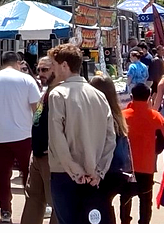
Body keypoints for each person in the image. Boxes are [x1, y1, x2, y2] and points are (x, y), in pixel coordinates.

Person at [46, 44, 116, 224]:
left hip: (65, 173)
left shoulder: (58, 94)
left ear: (64, 65)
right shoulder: (99, 95)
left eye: (54, 64)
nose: (52, 68)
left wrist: (73, 168)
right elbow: (111, 138)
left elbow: (56, 137)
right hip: (94, 173)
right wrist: (99, 170)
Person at [0, 52, 42, 223]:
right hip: (24, 135)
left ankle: (5, 211)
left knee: (2, 175)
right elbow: (37, 108)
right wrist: (39, 129)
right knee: (29, 173)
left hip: (0, 135)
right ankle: (34, 207)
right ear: (18, 63)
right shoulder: (27, 80)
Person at [121, 83, 164, 224]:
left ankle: (124, 222)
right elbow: (162, 141)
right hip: (146, 166)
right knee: (146, 201)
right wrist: (152, 153)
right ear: (149, 97)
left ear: (131, 96)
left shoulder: (122, 116)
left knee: (125, 198)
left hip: (126, 166)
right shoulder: (156, 117)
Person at [21, 58, 59, 224]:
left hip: (50, 156)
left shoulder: (59, 94)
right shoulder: (46, 91)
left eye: (44, 70)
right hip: (37, 155)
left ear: (56, 69)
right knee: (33, 200)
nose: (40, 74)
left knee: (57, 203)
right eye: (38, 70)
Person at [91, 75, 129, 225]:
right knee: (105, 206)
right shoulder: (118, 115)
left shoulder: (99, 116)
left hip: (104, 171)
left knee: (99, 209)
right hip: (119, 171)